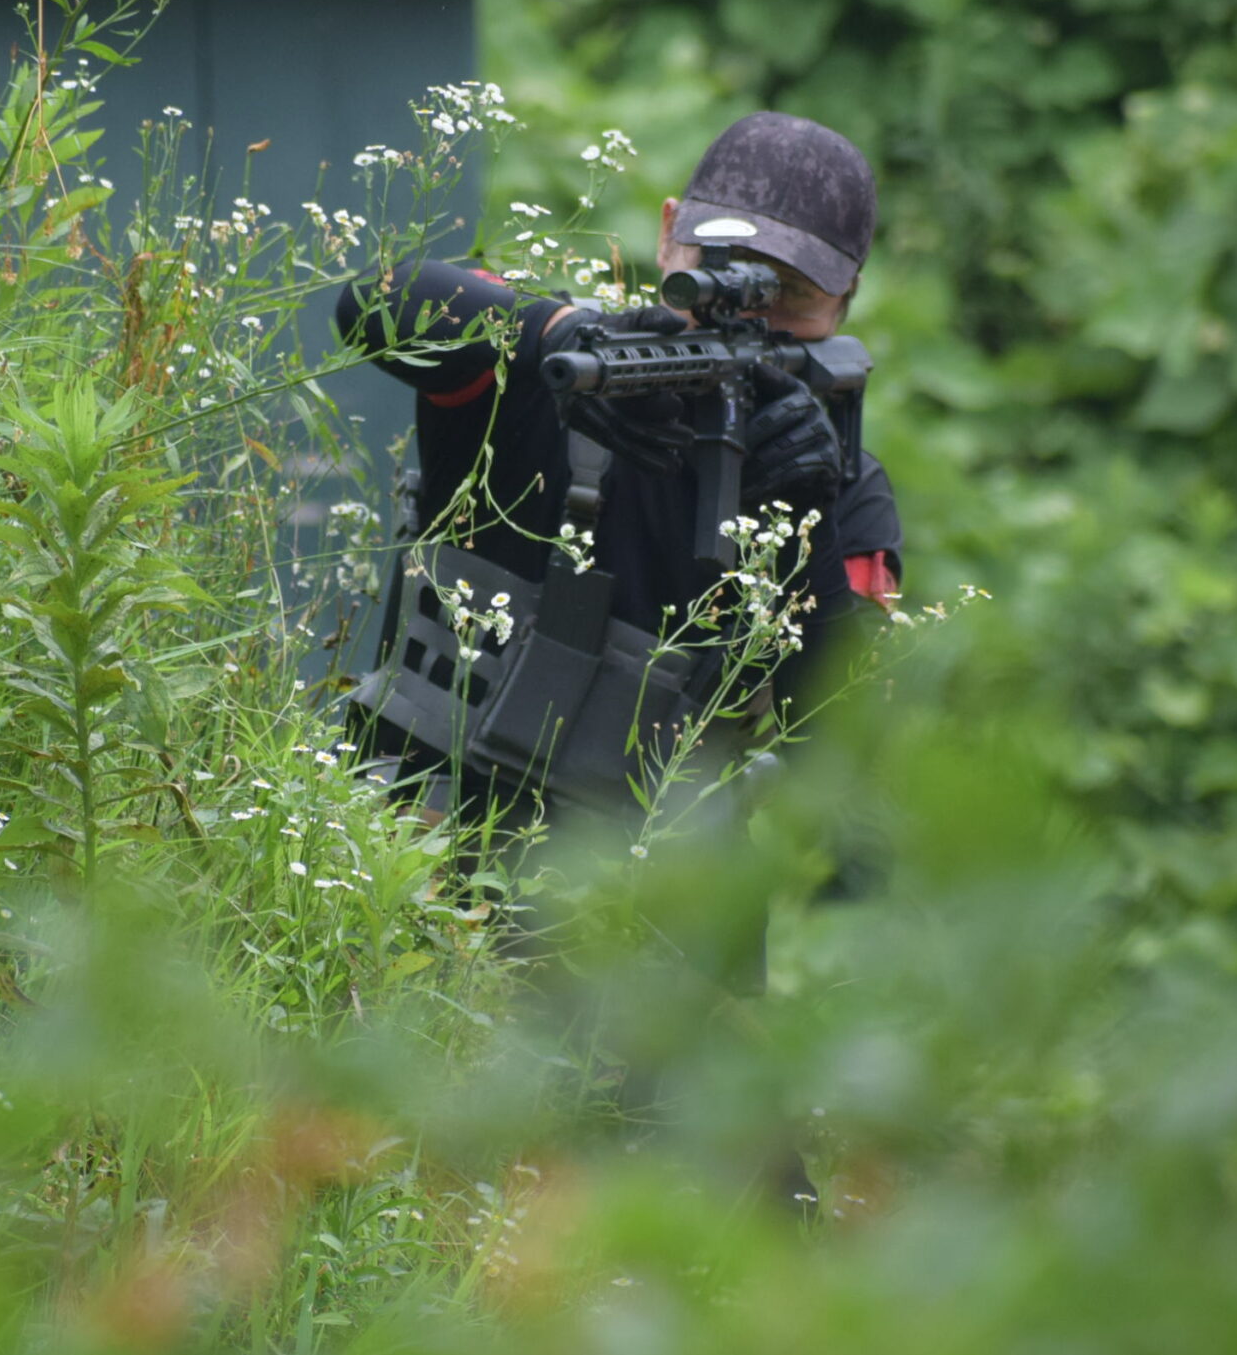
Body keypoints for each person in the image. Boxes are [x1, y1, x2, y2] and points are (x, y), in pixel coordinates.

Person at [333, 112, 902, 826]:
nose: (750, 314)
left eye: (791, 293)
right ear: (667, 236)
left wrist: (805, 533)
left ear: (845, 299)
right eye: (717, 272)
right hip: (412, 849)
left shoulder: (839, 479)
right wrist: (563, 339)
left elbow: (849, 757)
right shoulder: (547, 361)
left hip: (644, 885)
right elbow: (377, 297)